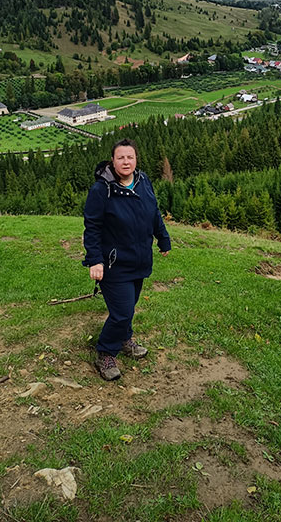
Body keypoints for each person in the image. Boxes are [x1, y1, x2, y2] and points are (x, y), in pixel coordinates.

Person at [82, 138, 171, 380]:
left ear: (136, 160)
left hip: (140, 260)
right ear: (113, 160)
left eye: (130, 157)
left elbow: (153, 212)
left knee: (128, 308)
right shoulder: (101, 190)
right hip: (113, 264)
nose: (126, 161)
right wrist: (95, 260)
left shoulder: (143, 182)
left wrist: (163, 238)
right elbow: (92, 227)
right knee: (121, 312)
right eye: (120, 157)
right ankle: (106, 352)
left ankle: (124, 339)